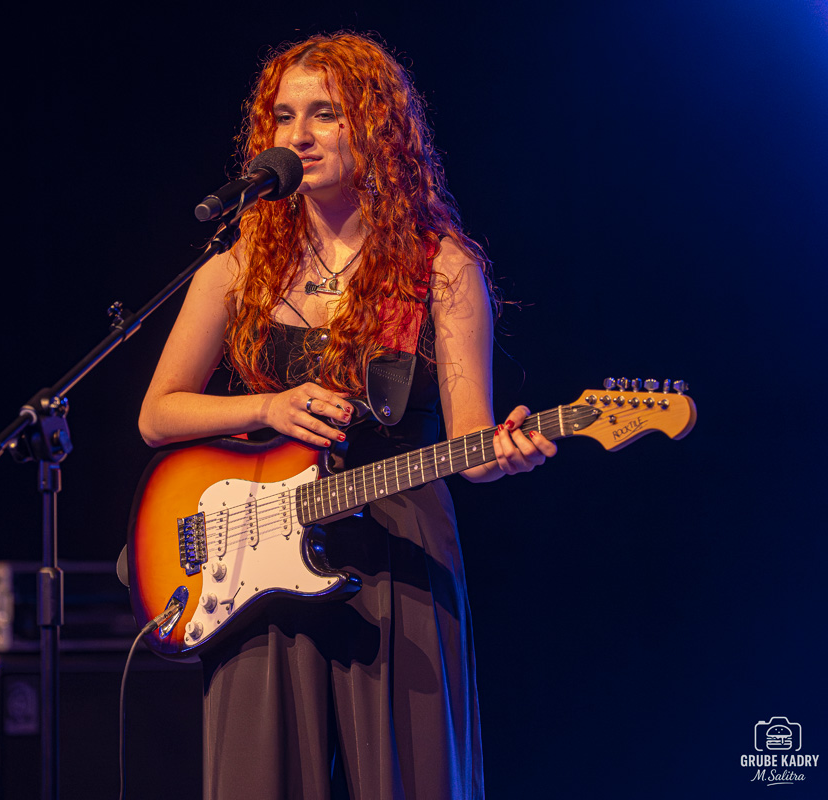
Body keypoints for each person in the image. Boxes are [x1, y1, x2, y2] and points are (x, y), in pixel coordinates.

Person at [138, 31, 556, 800]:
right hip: (259, 553)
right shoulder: (237, 268)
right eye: (283, 116)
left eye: (324, 113)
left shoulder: (441, 268)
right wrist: (270, 404)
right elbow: (157, 415)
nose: (298, 135)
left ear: (376, 126)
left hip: (399, 550)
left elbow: (472, 443)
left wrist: (505, 453)